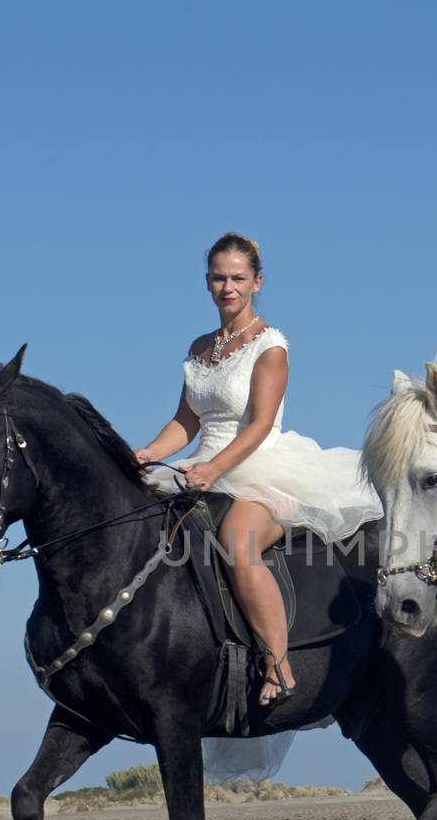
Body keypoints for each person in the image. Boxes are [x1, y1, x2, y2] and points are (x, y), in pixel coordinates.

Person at [135, 232, 381, 707]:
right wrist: (147, 451)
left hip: (262, 468)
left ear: (257, 283)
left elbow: (261, 423)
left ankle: (278, 662)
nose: (228, 286)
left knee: (238, 543)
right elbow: (185, 422)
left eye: (238, 278)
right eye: (218, 277)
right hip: (201, 464)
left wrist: (215, 468)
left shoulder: (270, 347)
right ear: (207, 282)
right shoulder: (201, 347)